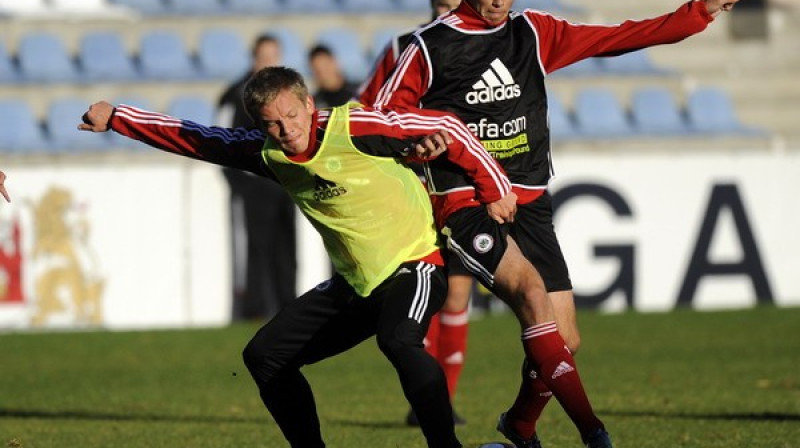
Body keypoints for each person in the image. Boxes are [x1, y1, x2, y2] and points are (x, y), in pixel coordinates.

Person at [365, 0, 742, 446]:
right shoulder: (430, 46)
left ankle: (520, 424)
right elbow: (383, 115)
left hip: (529, 199)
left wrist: (697, 12)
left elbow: (617, 38)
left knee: (565, 339)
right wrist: (417, 145)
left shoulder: (534, 31)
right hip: (467, 200)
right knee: (530, 293)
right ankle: (594, 433)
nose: (497, 1)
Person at [78, 66, 516, 448]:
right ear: (259, 125)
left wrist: (495, 189)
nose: (287, 130)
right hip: (357, 283)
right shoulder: (266, 153)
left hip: (416, 263)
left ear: (308, 103)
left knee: (398, 340)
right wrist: (119, 118)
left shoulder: (356, 128)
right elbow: (196, 138)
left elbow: (448, 127)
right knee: (265, 356)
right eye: (272, 123)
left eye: (292, 115)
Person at [359, 0, 471, 428]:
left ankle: (446, 399)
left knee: (458, 294)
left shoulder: (485, 45)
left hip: (459, 184)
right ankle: (424, 399)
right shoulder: (403, 47)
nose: (448, 13)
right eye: (442, 5)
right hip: (413, 189)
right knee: (423, 292)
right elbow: (367, 108)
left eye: (455, 5)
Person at [217, 33, 297, 321]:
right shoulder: (235, 94)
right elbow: (220, 138)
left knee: (287, 250)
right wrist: (239, 183)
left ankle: (288, 309)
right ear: (254, 57)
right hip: (252, 188)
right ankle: (253, 310)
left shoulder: (286, 95)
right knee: (254, 249)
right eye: (264, 56)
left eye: (273, 56)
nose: (268, 62)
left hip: (283, 185)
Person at [307, 44, 360, 109]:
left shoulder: (359, 91)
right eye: (318, 71)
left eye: (326, 67)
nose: (324, 74)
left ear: (335, 62)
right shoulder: (314, 104)